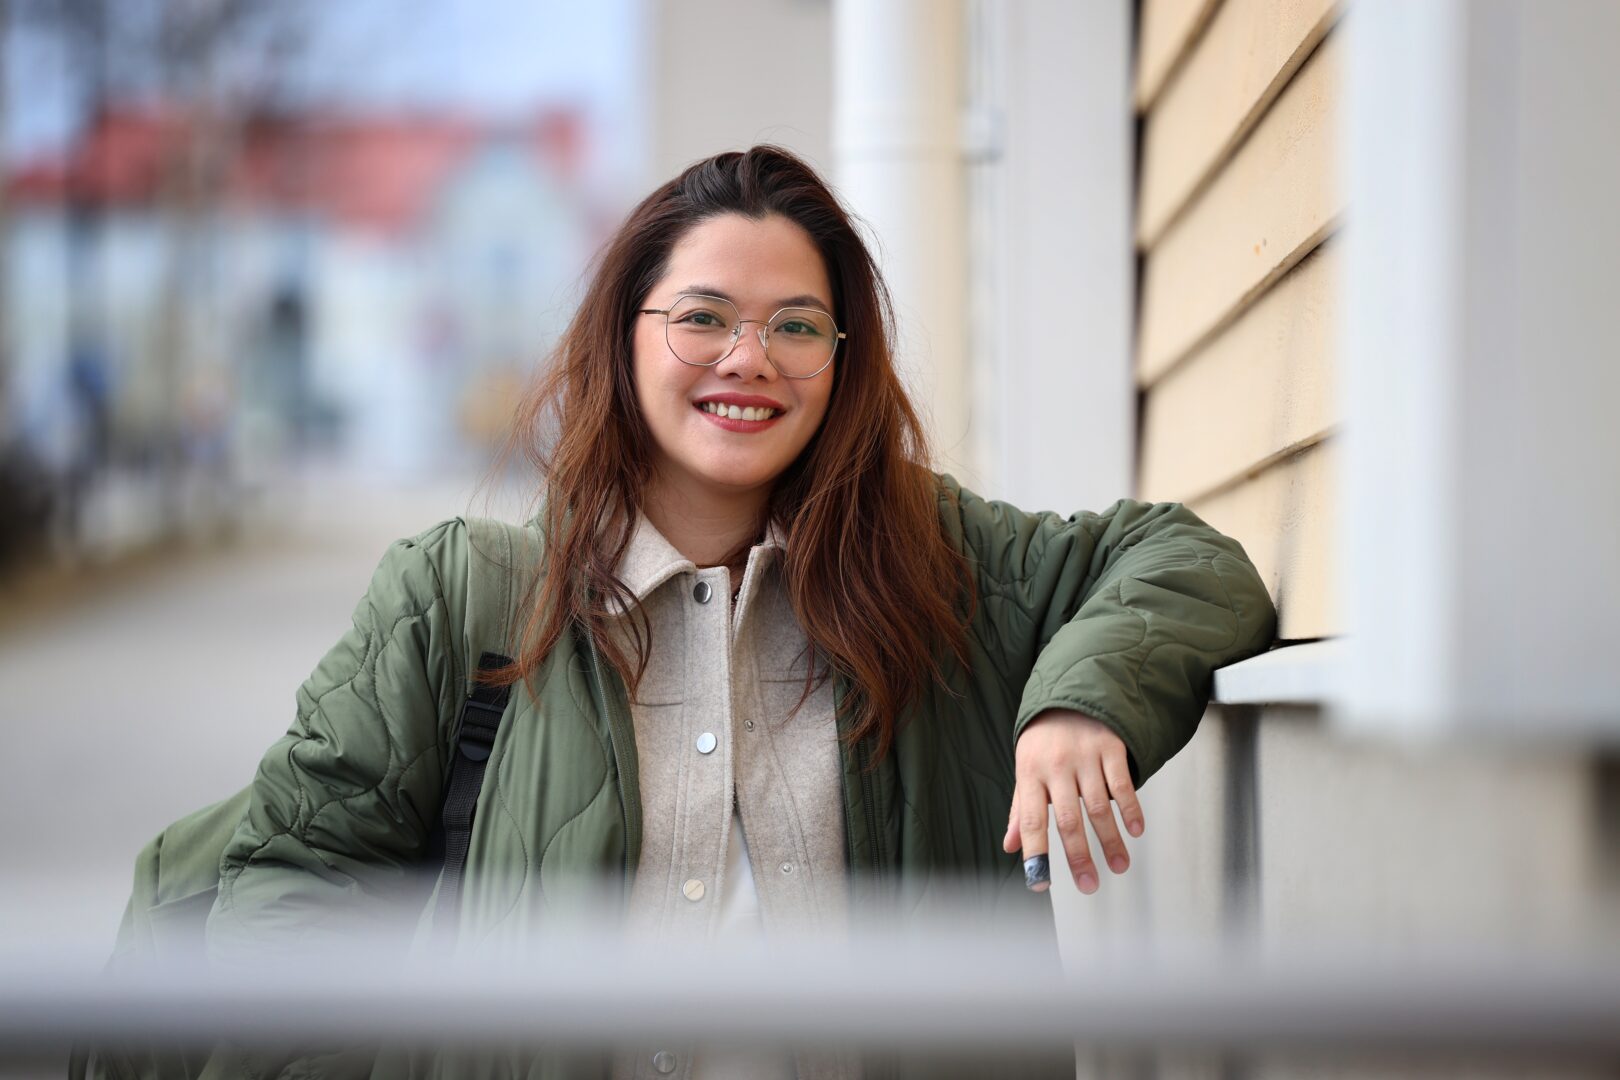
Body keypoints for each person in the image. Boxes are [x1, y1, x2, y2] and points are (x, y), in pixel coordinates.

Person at [201, 146, 1278, 1079]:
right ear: (623, 336)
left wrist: (1079, 703)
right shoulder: (460, 596)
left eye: (797, 326)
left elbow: (1185, 558)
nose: (748, 358)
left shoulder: (936, 567)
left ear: (842, 361)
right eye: (702, 317)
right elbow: (290, 896)